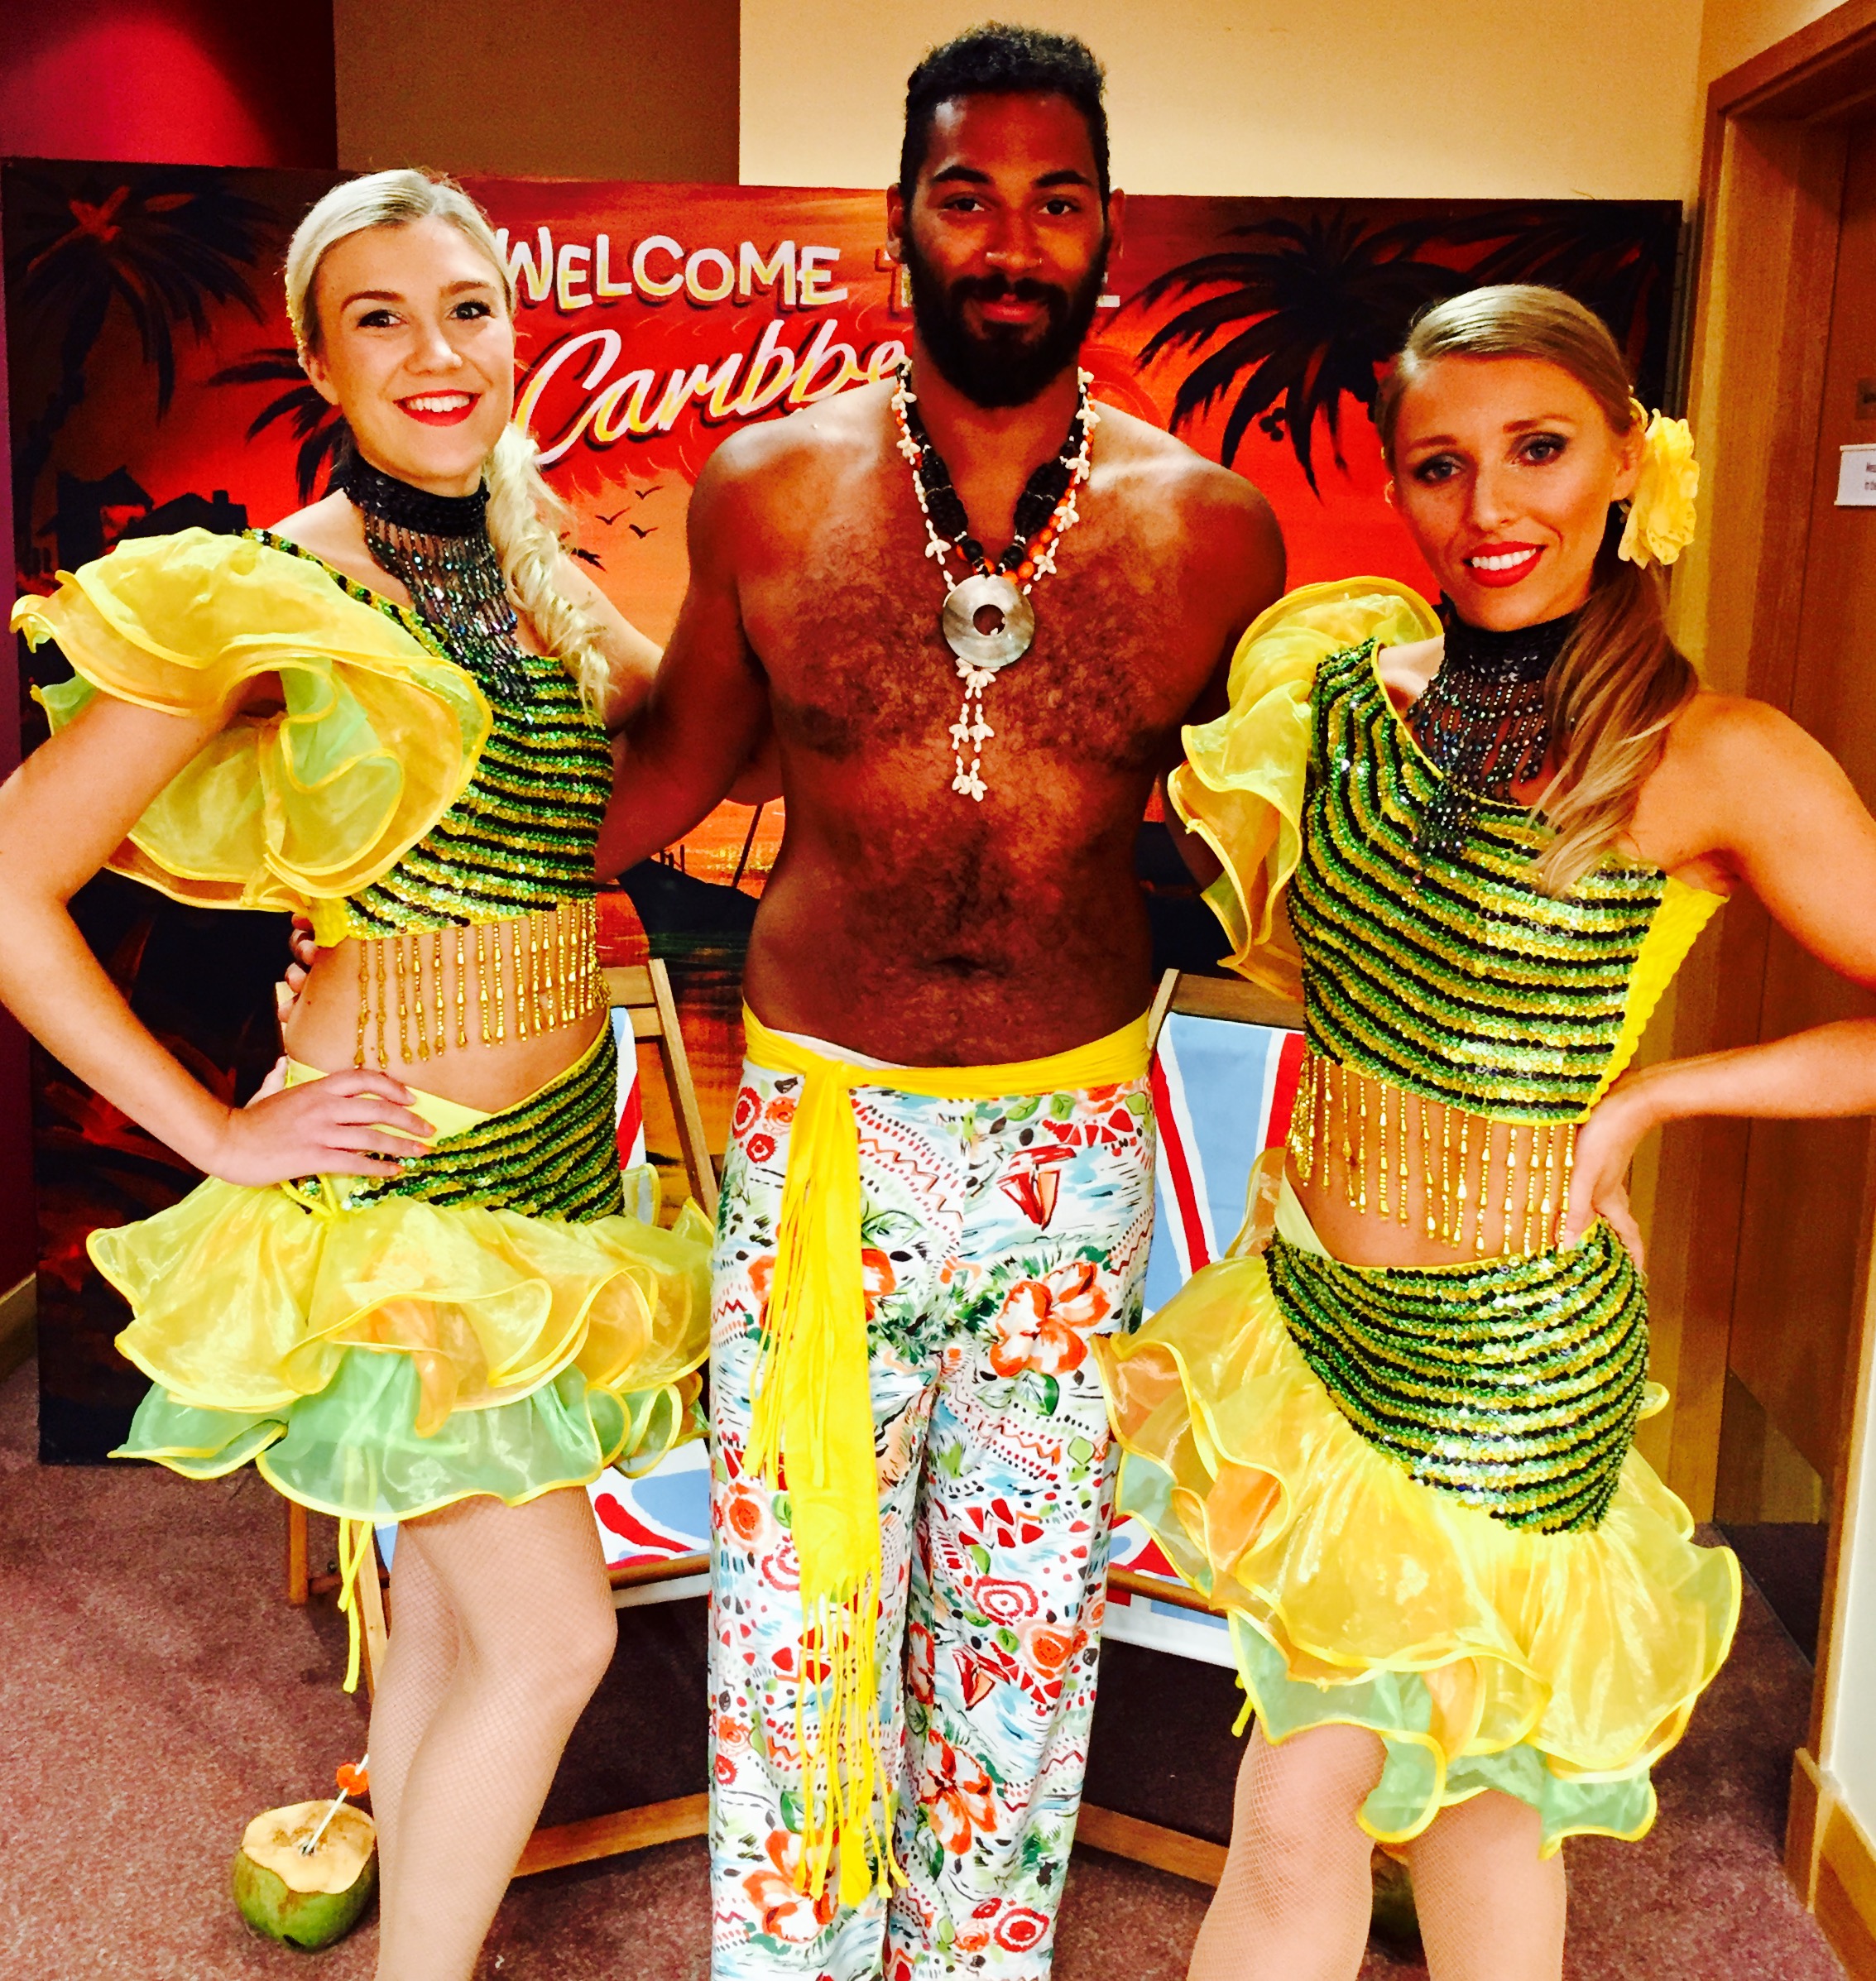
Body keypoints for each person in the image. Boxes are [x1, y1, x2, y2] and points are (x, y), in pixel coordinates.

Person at [596, 25, 1284, 1979]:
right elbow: (663, 777)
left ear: (1108, 231)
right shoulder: (768, 492)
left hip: (1075, 1147)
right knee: (795, 1632)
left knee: (1025, 1637)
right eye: (967, 197)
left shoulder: (1211, 530)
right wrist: (399, 886)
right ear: (900, 221)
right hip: (830, 1140)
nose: (1010, 241)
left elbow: (1279, 850)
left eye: (1054, 203)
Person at [1097, 282, 1876, 1981]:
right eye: (1439, 464)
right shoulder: (1334, 698)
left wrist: (1661, 1095)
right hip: (1311, 1315)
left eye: (1540, 449)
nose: (1488, 506)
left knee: (1334, 1812)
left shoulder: (1711, 755)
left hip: (1507, 1366)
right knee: (1449, 1810)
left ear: (1627, 463)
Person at [0, 170, 712, 1981]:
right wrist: (214, 1132)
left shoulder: (538, 570)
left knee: (462, 1622)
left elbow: (695, 738)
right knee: (555, 1641)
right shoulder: (276, 589)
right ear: (320, 361)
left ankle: (411, 1904)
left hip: (555, 1172)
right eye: (380, 318)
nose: (435, 350)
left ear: (517, 334)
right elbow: (10, 881)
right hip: (399, 1187)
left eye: (467, 308)